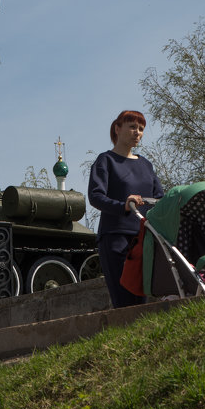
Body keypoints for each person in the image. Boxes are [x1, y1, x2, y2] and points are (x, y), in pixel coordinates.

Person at [87, 110, 165, 308]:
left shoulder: (146, 165)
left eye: (140, 129)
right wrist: (124, 205)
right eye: (132, 127)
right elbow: (96, 197)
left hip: (144, 238)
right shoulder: (105, 161)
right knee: (124, 299)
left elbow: (160, 198)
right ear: (117, 128)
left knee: (142, 297)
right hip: (115, 237)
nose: (137, 132)